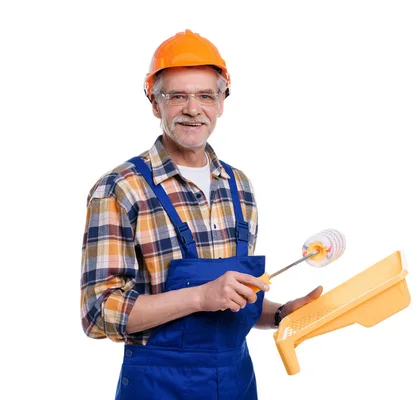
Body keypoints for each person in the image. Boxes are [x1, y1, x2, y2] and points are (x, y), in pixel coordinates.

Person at [80, 29, 323, 400]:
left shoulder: (238, 187)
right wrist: (199, 296)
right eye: (177, 95)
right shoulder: (120, 189)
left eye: (206, 95)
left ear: (222, 101)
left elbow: (232, 300)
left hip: (236, 384)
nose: (193, 109)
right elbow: (98, 314)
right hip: (159, 388)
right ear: (154, 103)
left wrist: (280, 313)